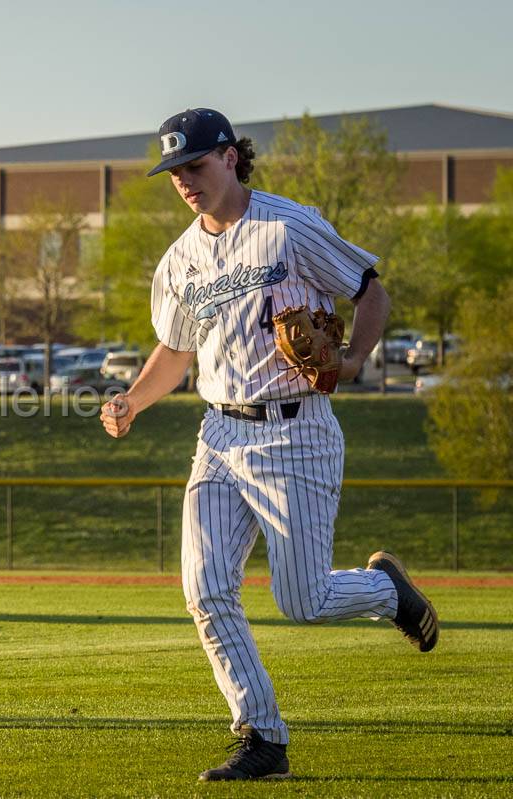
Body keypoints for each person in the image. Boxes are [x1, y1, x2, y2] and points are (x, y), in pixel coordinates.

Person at [101, 109, 438, 781]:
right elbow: (175, 349)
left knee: (303, 600)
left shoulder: (288, 226)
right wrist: (133, 399)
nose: (186, 181)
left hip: (297, 429)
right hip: (219, 432)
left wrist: (355, 361)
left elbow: (370, 289)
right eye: (175, 173)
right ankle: (263, 734)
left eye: (195, 165)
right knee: (204, 588)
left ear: (230, 156)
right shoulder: (178, 262)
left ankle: (386, 591)